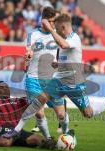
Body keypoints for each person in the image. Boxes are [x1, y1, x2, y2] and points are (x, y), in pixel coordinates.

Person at [4, 13, 105, 138]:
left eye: (58, 29)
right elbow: (67, 59)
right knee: (39, 100)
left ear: (63, 28)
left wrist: (51, 30)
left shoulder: (74, 38)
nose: (56, 31)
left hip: (75, 82)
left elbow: (64, 44)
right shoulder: (62, 40)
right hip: (59, 80)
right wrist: (57, 64)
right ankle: (17, 129)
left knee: (87, 113)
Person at [24, 7, 69, 138]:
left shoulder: (58, 35)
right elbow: (28, 51)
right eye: (52, 21)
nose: (54, 23)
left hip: (52, 80)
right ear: (44, 21)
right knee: (39, 113)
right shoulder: (32, 35)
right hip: (34, 78)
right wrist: (29, 54)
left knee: (61, 114)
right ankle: (48, 139)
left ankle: (66, 134)